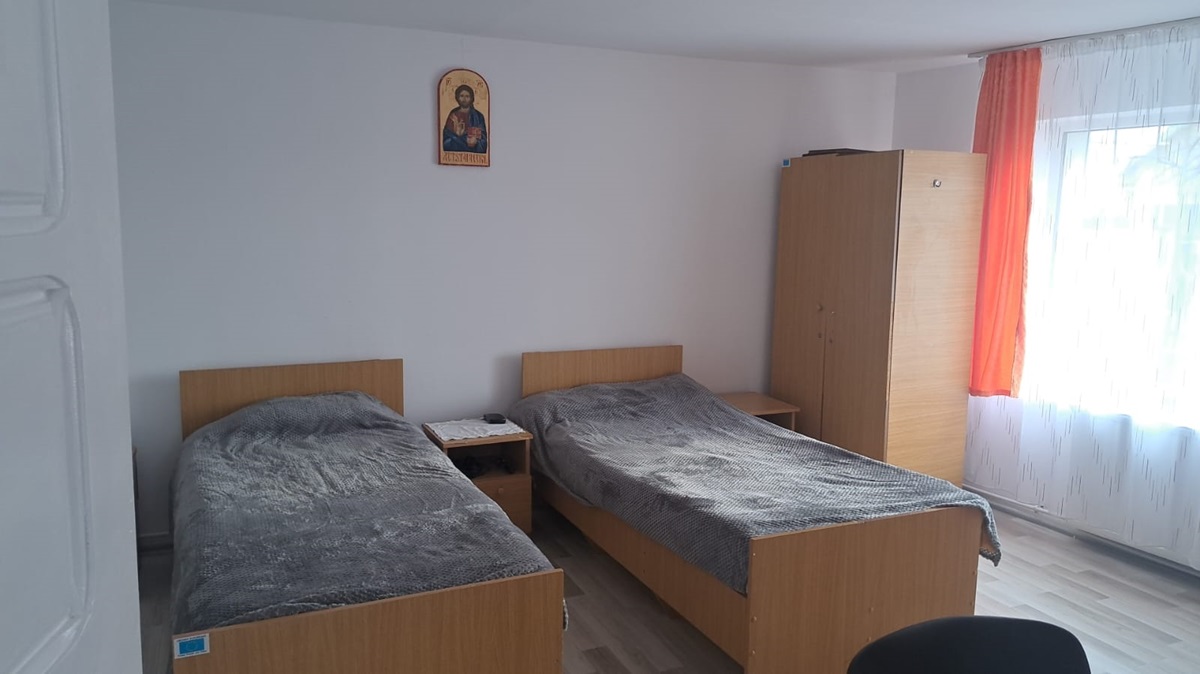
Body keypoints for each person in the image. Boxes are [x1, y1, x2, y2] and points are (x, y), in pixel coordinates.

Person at [442, 84, 487, 153]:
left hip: (472, 151)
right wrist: (457, 135)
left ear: (471, 98)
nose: (464, 99)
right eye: (462, 96)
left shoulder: (478, 116)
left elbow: (483, 138)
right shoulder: (453, 114)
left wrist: (476, 141)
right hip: (456, 150)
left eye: (467, 96)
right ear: (457, 97)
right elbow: (446, 138)